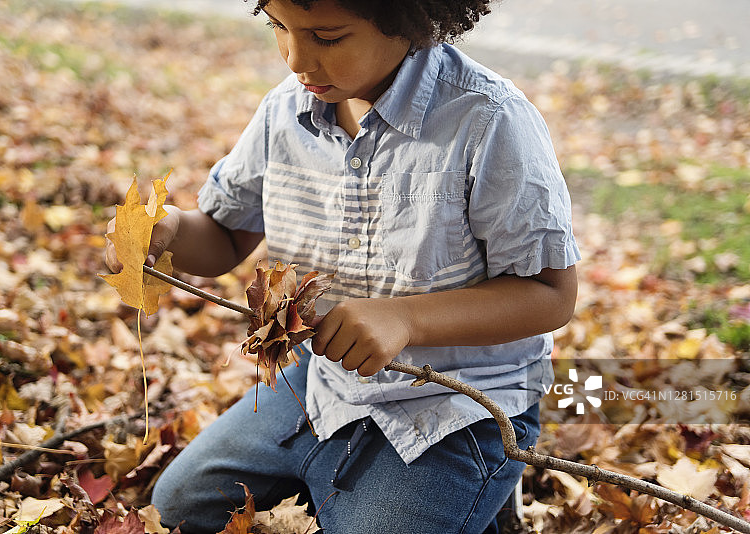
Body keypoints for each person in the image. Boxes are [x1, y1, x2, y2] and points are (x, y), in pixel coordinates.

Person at [105, 0, 580, 531]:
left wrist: (405, 319)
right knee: (179, 508)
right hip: (322, 382)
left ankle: (476, 498)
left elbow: (550, 293)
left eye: (326, 37)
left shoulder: (487, 120)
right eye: (278, 27)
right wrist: (167, 230)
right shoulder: (283, 113)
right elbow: (222, 238)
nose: (294, 58)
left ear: (409, 19)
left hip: (455, 407)